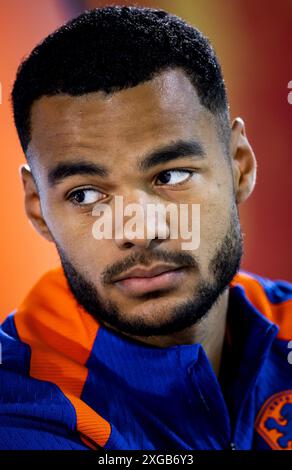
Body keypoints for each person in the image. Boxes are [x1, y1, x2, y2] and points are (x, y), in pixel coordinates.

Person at [0, 5, 291, 451]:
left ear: (239, 166)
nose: (139, 230)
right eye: (85, 195)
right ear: (38, 208)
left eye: (170, 176)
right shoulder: (17, 408)